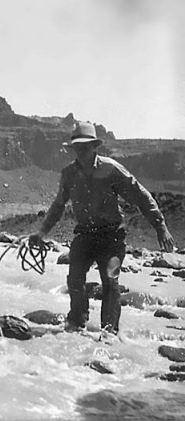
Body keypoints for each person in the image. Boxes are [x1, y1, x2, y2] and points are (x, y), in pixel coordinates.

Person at [29, 122, 175, 334]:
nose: (81, 151)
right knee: (74, 279)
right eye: (77, 147)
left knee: (110, 280)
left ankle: (109, 332)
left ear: (94, 147)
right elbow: (58, 206)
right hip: (85, 235)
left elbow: (140, 195)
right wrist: (42, 233)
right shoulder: (68, 174)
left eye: (85, 147)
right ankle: (76, 324)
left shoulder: (112, 169)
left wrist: (160, 226)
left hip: (112, 237)